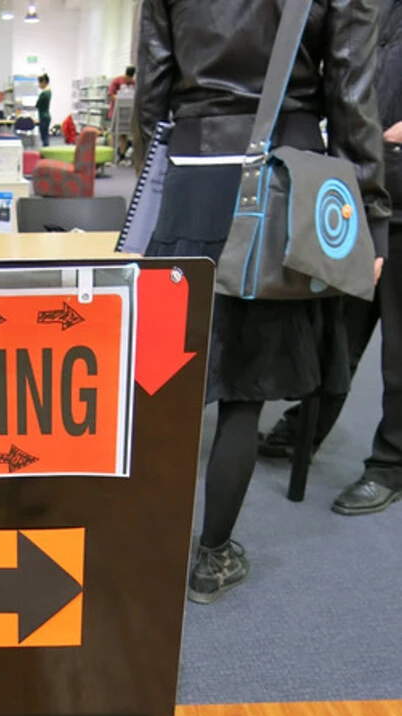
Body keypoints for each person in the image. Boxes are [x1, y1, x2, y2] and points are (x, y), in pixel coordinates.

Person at [134, 0, 389, 603]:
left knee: (160, 376)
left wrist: (177, 170)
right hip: (281, 181)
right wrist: (371, 215)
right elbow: (352, 96)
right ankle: (212, 557)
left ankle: (143, 546)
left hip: (192, 175)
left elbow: (152, 93)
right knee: (244, 392)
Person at [259, 0, 402, 519]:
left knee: (398, 351)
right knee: (337, 328)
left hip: (395, 186)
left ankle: (390, 464)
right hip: (358, 188)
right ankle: (307, 425)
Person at [108, 65, 136, 160]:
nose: (129, 80)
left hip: (128, 112)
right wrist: (121, 98)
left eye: (131, 78)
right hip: (116, 111)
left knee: (124, 134)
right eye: (128, 78)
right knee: (114, 134)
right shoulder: (117, 81)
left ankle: (122, 155)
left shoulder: (133, 82)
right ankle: (111, 155)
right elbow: (111, 95)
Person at [36, 74, 51, 148]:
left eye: (40, 83)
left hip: (43, 117)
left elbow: (37, 104)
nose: (39, 85)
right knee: (45, 136)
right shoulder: (49, 92)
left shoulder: (44, 93)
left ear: (44, 82)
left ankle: (45, 153)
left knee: (44, 136)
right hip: (46, 116)